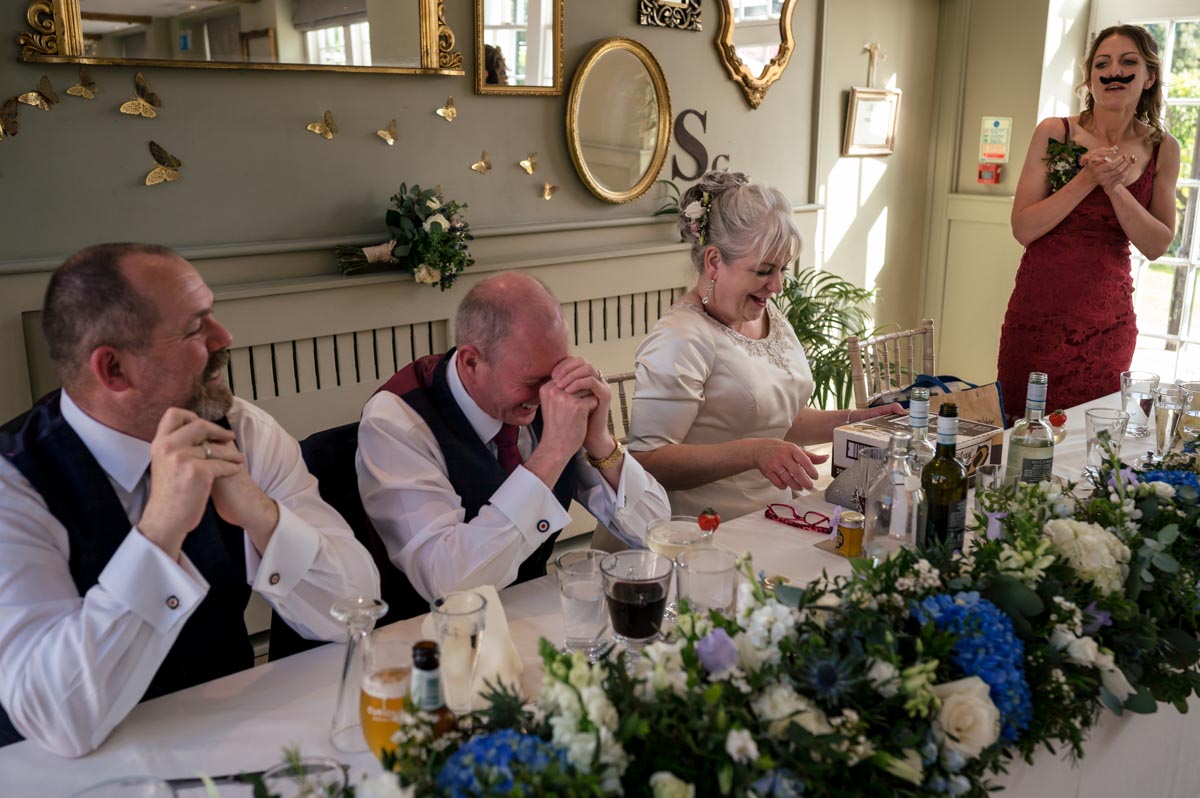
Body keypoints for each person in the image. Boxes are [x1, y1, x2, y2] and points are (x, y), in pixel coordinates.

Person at [0, 244, 380, 757]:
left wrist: (262, 517)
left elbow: (353, 609)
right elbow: (60, 721)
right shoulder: (13, 485)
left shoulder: (243, 432)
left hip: (229, 743)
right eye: (196, 328)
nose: (225, 338)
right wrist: (159, 534)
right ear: (113, 369)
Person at [357, 272, 670, 603]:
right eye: (532, 380)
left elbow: (658, 532)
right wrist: (551, 454)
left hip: (531, 612)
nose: (550, 393)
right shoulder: (397, 422)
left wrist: (599, 442)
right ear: (471, 361)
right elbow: (448, 584)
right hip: (428, 636)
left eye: (557, 372)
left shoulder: (551, 395)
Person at [627, 170, 900, 520]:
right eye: (763, 271)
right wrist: (753, 454)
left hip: (777, 509)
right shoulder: (680, 338)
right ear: (713, 262)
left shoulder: (765, 312)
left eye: (783, 269)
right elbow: (648, 462)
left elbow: (774, 418)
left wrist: (853, 421)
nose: (777, 286)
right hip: (703, 528)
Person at [997, 24, 1179, 422]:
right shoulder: (1055, 132)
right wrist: (1086, 180)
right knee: (1023, 429)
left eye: (1128, 62)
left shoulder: (1163, 148)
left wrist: (1115, 189)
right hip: (1038, 317)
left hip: (1107, 325)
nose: (1114, 71)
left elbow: (1157, 244)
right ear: (1091, 78)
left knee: (1094, 434)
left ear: (1148, 76)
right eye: (1103, 63)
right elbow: (1024, 229)